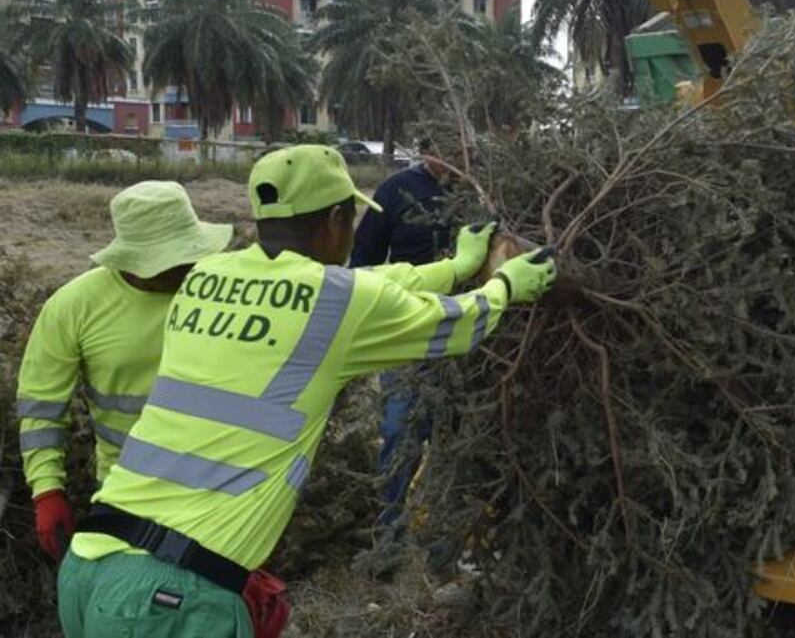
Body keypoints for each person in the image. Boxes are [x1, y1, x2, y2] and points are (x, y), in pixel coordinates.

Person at [58, 144, 556, 637]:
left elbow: (363, 284)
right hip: (169, 601)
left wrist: (454, 266)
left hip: (91, 562)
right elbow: (457, 324)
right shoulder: (338, 303)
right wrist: (505, 286)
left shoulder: (207, 275)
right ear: (336, 219)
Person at [17, 181, 233, 562]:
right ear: (136, 259)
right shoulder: (73, 308)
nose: (189, 265)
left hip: (219, 486)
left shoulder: (224, 290)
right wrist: (47, 491)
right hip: (126, 487)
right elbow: (42, 407)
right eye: (176, 258)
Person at [349, 149, 451, 520]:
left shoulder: (484, 189)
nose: (455, 157)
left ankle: (445, 528)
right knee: (400, 430)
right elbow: (363, 263)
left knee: (456, 433)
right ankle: (389, 532)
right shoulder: (397, 189)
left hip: (472, 329)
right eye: (444, 149)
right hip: (410, 333)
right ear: (426, 150)